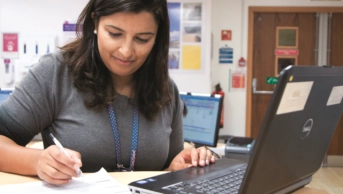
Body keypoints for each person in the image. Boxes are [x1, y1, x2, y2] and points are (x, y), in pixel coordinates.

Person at [0, 0, 215, 185]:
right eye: (114, 34)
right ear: (95, 22)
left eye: (142, 39)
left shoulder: (165, 89)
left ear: (157, 37)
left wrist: (177, 168)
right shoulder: (56, 73)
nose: (126, 51)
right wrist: (36, 161)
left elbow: (169, 166)